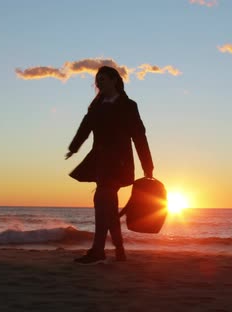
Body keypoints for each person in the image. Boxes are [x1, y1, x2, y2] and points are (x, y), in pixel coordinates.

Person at [65, 66, 154, 265]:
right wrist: (74, 147)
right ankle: (119, 250)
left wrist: (147, 165)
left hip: (119, 161)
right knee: (108, 205)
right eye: (98, 80)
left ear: (115, 80)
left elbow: (139, 136)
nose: (99, 83)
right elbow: (85, 127)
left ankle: (98, 250)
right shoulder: (96, 106)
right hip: (99, 159)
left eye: (103, 79)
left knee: (102, 198)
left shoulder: (128, 105)